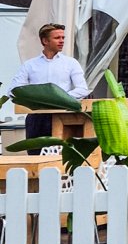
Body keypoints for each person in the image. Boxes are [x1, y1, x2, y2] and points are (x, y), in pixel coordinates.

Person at [7, 22, 89, 153]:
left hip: (63, 114)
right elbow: (13, 90)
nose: (62, 41)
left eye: (63, 37)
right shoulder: (30, 65)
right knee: (35, 153)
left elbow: (82, 89)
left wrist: (60, 99)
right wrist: (34, 99)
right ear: (45, 40)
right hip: (36, 116)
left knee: (62, 154)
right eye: (57, 38)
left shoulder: (70, 63)